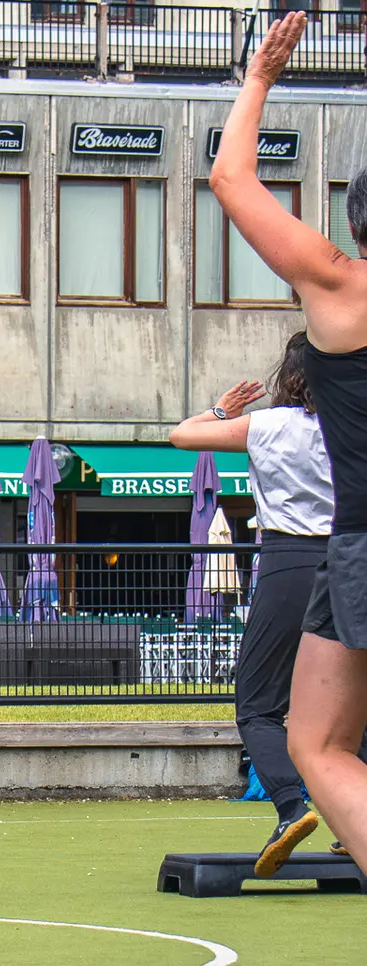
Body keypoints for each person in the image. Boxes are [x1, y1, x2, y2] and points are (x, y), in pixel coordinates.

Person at [210, 12, 367, 904]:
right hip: (345, 552)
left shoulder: (342, 288)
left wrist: (262, 76)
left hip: (359, 546)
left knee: (314, 744)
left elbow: (232, 179)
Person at [169, 335, 367, 875]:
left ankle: (290, 807)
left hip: (289, 562)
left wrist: (221, 409)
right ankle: (356, 825)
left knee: (258, 703)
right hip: (352, 559)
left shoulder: (270, 425)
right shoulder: (354, 424)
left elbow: (181, 436)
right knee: (352, 706)